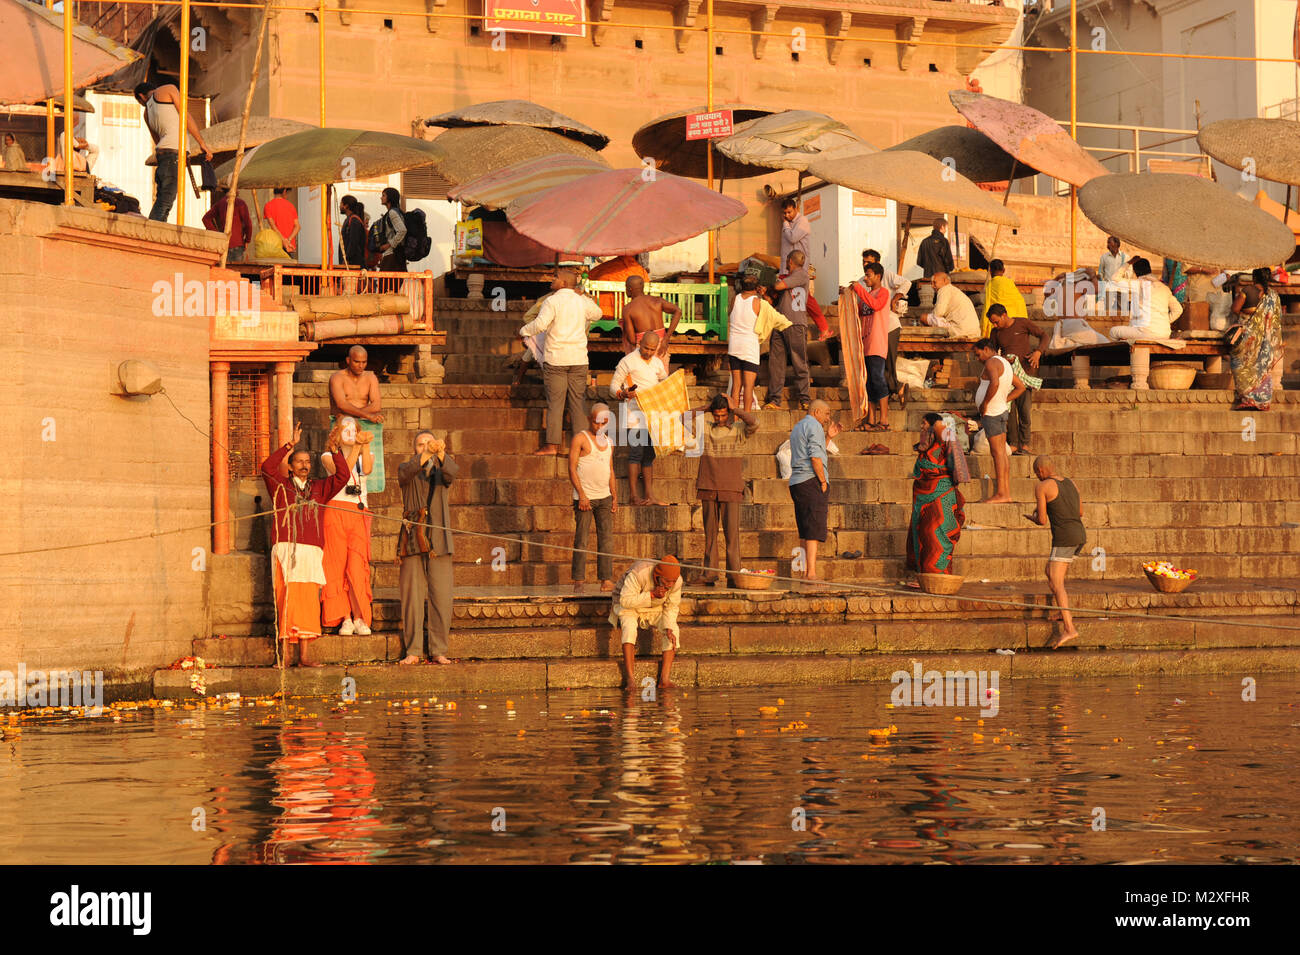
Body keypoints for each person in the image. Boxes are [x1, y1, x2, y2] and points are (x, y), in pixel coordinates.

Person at [260, 422, 351, 665]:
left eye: (307, 462)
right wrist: (289, 445)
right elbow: (266, 467)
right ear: (290, 467)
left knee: (309, 603)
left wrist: (335, 450)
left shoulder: (321, 488)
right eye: (299, 461)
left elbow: (343, 476)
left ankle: (305, 657)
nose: (304, 465)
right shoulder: (280, 486)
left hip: (311, 551)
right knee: (286, 599)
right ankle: (286, 656)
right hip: (285, 548)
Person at [520, 268, 600, 456]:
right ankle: (582, 447)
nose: (552, 279)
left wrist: (523, 331)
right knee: (578, 404)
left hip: (556, 359)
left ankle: (552, 446)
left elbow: (540, 325)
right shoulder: (581, 301)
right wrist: (585, 298)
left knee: (555, 404)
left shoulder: (552, 301)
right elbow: (597, 313)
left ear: (563, 283)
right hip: (579, 359)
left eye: (555, 277)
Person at [396, 430, 458, 665]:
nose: (426, 447)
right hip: (412, 539)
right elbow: (407, 472)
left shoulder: (442, 471)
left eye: (429, 443)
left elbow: (453, 472)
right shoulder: (407, 468)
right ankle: (413, 650)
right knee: (412, 597)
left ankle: (438, 649)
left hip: (439, 540)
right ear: (414, 449)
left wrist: (441, 452)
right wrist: (425, 453)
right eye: (420, 444)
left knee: (441, 597)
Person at [685, 393, 758, 587]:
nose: (719, 419)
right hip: (708, 485)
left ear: (729, 414)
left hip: (731, 488)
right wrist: (706, 408)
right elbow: (682, 418)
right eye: (716, 416)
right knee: (710, 534)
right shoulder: (705, 429)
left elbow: (754, 423)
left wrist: (735, 409)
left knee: (731, 535)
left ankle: (734, 575)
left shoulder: (739, 430)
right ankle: (709, 574)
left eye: (723, 415)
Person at [320, 416, 373, 636]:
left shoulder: (365, 453)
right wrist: (356, 448)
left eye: (355, 429)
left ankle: (360, 616)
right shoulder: (328, 456)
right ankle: (345, 618)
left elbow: (367, 470)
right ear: (336, 433)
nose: (351, 432)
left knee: (356, 565)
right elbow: (342, 475)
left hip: (358, 511)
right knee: (336, 565)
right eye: (346, 429)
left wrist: (365, 444)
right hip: (335, 510)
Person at [1026, 456, 1085, 648]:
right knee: (1049, 572)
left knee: (1057, 582)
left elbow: (1042, 520)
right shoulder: (1071, 483)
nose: (1037, 477)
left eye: (1037, 473)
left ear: (1041, 470)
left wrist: (1032, 518)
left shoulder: (1042, 487)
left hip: (1064, 537)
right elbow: (1080, 512)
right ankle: (1062, 610)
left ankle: (1069, 628)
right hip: (1079, 534)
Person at [134, 81, 212, 222]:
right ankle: (153, 231)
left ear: (141, 96)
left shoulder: (146, 113)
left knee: (163, 198)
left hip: (163, 154)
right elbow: (186, 116)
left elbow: (156, 139)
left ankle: (155, 229)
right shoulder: (167, 89)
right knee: (166, 199)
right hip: (173, 153)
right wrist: (202, 143)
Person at [906, 413, 969, 577]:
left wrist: (938, 423)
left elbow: (943, 426)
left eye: (924, 423)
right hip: (923, 500)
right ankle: (924, 576)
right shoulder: (926, 446)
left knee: (937, 535)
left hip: (941, 498)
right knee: (922, 536)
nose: (921, 427)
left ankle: (938, 575)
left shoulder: (943, 441)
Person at [611, 331, 670, 506]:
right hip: (633, 416)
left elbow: (664, 382)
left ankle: (649, 495)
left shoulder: (658, 363)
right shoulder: (627, 361)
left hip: (653, 417)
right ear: (639, 343)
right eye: (646, 348)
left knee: (649, 455)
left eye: (653, 349)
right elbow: (613, 386)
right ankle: (633, 495)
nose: (649, 352)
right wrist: (623, 393)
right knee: (636, 454)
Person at [610, 555, 683, 690]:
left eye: (672, 582)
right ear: (658, 576)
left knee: (674, 631)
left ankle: (664, 679)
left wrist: (668, 627)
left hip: (655, 608)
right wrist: (651, 594)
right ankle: (630, 679)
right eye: (666, 581)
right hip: (628, 606)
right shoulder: (639, 573)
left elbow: (672, 607)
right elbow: (625, 600)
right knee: (629, 628)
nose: (669, 585)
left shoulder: (677, 582)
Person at [569, 403, 617, 592]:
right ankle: (579, 580)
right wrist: (581, 495)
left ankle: (605, 579)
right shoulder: (580, 438)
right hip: (584, 498)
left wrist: (614, 496)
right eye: (597, 423)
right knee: (581, 539)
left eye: (604, 423)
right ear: (590, 419)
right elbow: (571, 468)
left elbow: (610, 470)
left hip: (604, 497)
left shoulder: (609, 442)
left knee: (606, 538)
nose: (600, 427)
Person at [988, 303, 1047, 455]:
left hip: (1026, 373)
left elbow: (1044, 336)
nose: (995, 325)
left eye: (997, 321)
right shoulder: (995, 332)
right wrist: (1003, 359)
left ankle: (1025, 444)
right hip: (1007, 374)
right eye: (993, 323)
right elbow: (993, 354)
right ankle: (1013, 444)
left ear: (1004, 315)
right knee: (1010, 409)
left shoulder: (1022, 323)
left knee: (1024, 410)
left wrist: (1038, 353)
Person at [973, 337, 1024, 504]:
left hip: (993, 414)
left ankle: (1001, 493)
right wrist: (1004, 400)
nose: (977, 358)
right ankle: (1006, 493)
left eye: (978, 354)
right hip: (1000, 411)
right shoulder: (1005, 363)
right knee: (1001, 453)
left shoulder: (992, 363)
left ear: (987, 349)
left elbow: (994, 383)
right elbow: (1020, 386)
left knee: (998, 453)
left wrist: (985, 404)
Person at [788, 399, 833, 588]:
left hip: (797, 482)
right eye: (827, 414)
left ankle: (805, 573)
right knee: (813, 526)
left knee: (805, 526)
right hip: (810, 480)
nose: (828, 418)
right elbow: (815, 457)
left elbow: (815, 450)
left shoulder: (799, 426)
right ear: (816, 412)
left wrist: (828, 437)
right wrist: (822, 481)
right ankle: (811, 573)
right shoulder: (814, 426)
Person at [1230, 267, 1283, 411]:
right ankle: (1262, 401)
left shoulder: (1247, 290)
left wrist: (1245, 315)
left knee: (1238, 362)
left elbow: (1235, 308)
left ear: (1254, 278)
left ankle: (1248, 399)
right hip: (1266, 340)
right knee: (1262, 369)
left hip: (1249, 337)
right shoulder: (1274, 295)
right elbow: (1277, 319)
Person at [765, 250, 813, 410]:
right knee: (776, 362)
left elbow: (779, 285)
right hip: (780, 322)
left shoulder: (801, 275)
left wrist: (772, 283)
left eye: (786, 261)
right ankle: (774, 399)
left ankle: (805, 398)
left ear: (790, 261)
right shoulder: (791, 278)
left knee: (799, 361)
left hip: (796, 324)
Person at [863, 249, 911, 401]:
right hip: (874, 331)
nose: (865, 265)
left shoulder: (886, 281)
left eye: (868, 263)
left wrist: (896, 297)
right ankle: (892, 390)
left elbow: (906, 282)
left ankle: (895, 388)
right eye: (863, 262)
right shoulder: (863, 281)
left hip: (889, 326)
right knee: (877, 368)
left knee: (888, 363)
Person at [853, 263, 892, 432]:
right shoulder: (868, 294)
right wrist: (848, 295)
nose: (866, 278)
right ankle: (871, 419)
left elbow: (875, 305)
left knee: (878, 379)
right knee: (868, 383)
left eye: (868, 275)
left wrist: (859, 290)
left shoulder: (884, 293)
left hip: (877, 343)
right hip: (866, 344)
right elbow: (860, 310)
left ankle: (884, 419)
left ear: (878, 276)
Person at [1111, 256, 1181, 340]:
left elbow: (1114, 279)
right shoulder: (1165, 288)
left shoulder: (1138, 284)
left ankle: (1122, 353)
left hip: (1146, 332)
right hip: (1164, 333)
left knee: (1113, 332)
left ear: (1135, 272)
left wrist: (1129, 262)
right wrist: (1163, 322)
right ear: (1149, 269)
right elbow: (1178, 310)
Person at [727, 273, 764, 413]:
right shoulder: (757, 302)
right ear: (757, 287)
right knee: (749, 386)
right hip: (749, 348)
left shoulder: (734, 299)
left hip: (734, 347)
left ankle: (735, 418)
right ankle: (746, 418)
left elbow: (730, 314)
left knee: (736, 386)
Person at [620, 274, 680, 356]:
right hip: (661, 345)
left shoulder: (627, 309)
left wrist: (624, 327)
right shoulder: (657, 301)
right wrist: (666, 338)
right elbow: (678, 311)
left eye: (626, 287)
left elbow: (632, 340)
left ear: (629, 289)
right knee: (661, 368)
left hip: (643, 348)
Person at [329, 346, 384, 424]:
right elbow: (341, 404)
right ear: (348, 360)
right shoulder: (337, 377)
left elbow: (376, 406)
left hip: (362, 421)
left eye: (364, 362)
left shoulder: (371, 377)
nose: (361, 366)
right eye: (357, 362)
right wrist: (368, 415)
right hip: (341, 423)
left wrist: (351, 416)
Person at [922, 272, 981, 339]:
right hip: (974, 332)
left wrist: (930, 315)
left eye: (934, 283)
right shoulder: (953, 290)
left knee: (924, 317)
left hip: (959, 330)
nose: (932, 286)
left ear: (945, 281)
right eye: (931, 283)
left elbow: (938, 313)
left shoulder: (944, 289)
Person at [590, 254, 649, 320]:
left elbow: (588, 278)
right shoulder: (640, 272)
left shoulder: (603, 268)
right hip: (629, 313)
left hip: (600, 312)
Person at [201, 187, 252, 263]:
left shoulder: (220, 203)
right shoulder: (240, 203)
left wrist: (216, 234)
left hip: (224, 244)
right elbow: (248, 224)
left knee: (225, 271)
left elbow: (206, 219)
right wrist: (247, 240)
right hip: (237, 245)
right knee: (236, 271)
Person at [980, 259, 1028, 339]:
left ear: (990, 271)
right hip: (1014, 322)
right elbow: (1019, 301)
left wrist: (984, 326)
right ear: (1004, 270)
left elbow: (987, 305)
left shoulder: (991, 284)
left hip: (999, 323)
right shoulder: (1010, 282)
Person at [916, 217, 954, 308]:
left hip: (927, 276)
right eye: (945, 228)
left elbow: (919, 262)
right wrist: (950, 269)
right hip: (941, 277)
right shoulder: (943, 241)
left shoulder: (924, 242)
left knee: (928, 302)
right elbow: (947, 260)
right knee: (942, 301)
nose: (945, 230)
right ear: (942, 227)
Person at [377, 187, 407, 271]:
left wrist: (389, 244)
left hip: (392, 255)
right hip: (398, 255)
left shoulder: (392, 212)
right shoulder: (398, 211)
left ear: (390, 197)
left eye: (383, 195)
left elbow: (402, 230)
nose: (381, 197)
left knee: (386, 283)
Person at [264, 187, 301, 257]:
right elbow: (297, 226)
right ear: (284, 191)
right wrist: (288, 240)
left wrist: (283, 241)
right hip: (290, 246)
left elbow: (273, 226)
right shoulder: (291, 206)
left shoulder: (268, 206)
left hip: (275, 245)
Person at [1097, 236, 1129, 312]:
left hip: (1121, 286)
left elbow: (1129, 272)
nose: (1108, 244)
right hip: (1109, 286)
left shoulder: (1125, 257)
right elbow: (1101, 272)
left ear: (1116, 244)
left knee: (1122, 310)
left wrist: (1120, 279)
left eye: (1109, 242)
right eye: (1107, 242)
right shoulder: (1104, 257)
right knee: (1107, 309)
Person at [338, 195, 367, 267]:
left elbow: (353, 242)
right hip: (349, 263)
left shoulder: (354, 220)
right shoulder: (350, 219)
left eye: (341, 203)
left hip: (353, 264)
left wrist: (347, 259)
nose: (339, 206)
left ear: (346, 206)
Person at [780, 198, 811, 264]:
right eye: (784, 213)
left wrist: (785, 223)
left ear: (795, 209)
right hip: (787, 266)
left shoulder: (802, 220)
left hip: (798, 266)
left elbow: (792, 239)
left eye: (789, 212)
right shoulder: (787, 223)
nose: (786, 215)